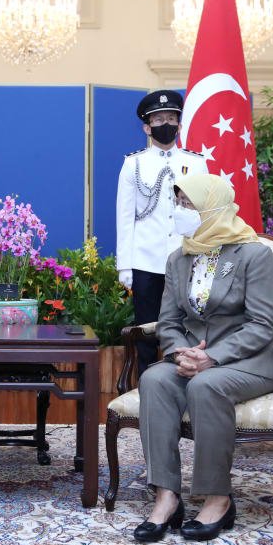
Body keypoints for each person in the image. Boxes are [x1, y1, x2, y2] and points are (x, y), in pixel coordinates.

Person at [133, 173, 273, 543]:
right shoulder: (179, 257)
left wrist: (211, 358)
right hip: (191, 358)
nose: (181, 212)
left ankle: (218, 497)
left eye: (188, 204)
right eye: (179, 204)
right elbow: (168, 322)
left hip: (249, 361)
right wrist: (180, 352)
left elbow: (263, 324)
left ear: (212, 208)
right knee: (153, 379)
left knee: (205, 386)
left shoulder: (253, 254)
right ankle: (167, 496)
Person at [116, 89, 208, 378]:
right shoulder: (134, 163)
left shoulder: (196, 162)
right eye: (158, 120)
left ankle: (185, 383)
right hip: (146, 261)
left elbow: (204, 213)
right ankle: (147, 388)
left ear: (179, 124)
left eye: (171, 118)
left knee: (187, 327)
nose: (164, 124)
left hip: (187, 257)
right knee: (147, 330)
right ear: (147, 127)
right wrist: (125, 265)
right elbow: (124, 217)